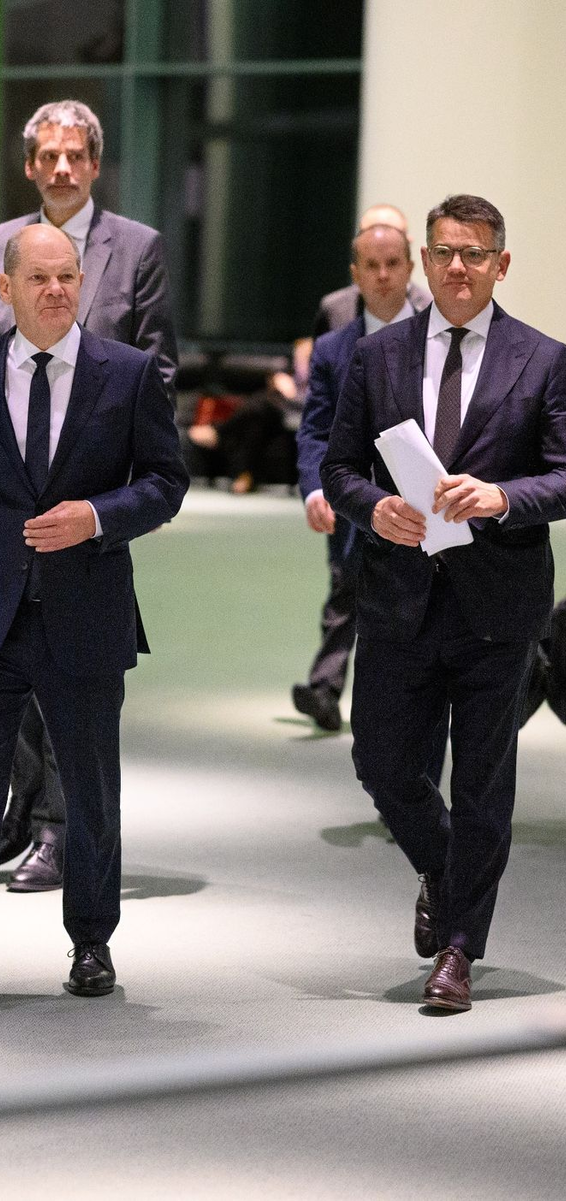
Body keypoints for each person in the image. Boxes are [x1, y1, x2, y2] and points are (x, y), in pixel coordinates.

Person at [0, 224, 188, 1015]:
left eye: (68, 277)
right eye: (39, 278)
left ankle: (91, 938)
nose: (56, 290)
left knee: (88, 789)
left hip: (85, 611)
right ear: (4, 290)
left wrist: (96, 515)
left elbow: (165, 481)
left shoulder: (128, 373)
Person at [322, 195, 566, 1012]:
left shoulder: (543, 360)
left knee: (484, 779)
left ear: (501, 265)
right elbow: (340, 466)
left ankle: (460, 948)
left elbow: (565, 475)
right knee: (381, 760)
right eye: (444, 252)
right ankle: (446, 864)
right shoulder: (379, 356)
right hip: (400, 595)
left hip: (500, 603)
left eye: (474, 254)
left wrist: (501, 496)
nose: (457, 266)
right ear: (425, 262)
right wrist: (371, 506)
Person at [0, 98, 179, 891]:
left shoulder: (141, 248)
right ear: (29, 166)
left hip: (92, 496)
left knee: (73, 658)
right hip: (9, 490)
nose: (62, 168)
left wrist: (126, 500)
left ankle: (61, 826)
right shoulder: (0, 245)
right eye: (47, 156)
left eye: (76, 155)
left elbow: (157, 368)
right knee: (6, 651)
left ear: (96, 164)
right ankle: (25, 808)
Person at [293, 223, 429, 731]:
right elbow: (315, 430)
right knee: (346, 588)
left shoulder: (440, 339)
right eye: (371, 265)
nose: (383, 275)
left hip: (422, 498)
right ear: (355, 275)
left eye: (393, 263)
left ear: (411, 269)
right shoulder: (332, 350)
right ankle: (326, 689)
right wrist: (314, 491)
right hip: (355, 500)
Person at [312, 204, 432, 338]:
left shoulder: (432, 308)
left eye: (392, 232)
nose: (379, 240)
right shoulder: (335, 309)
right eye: (369, 233)